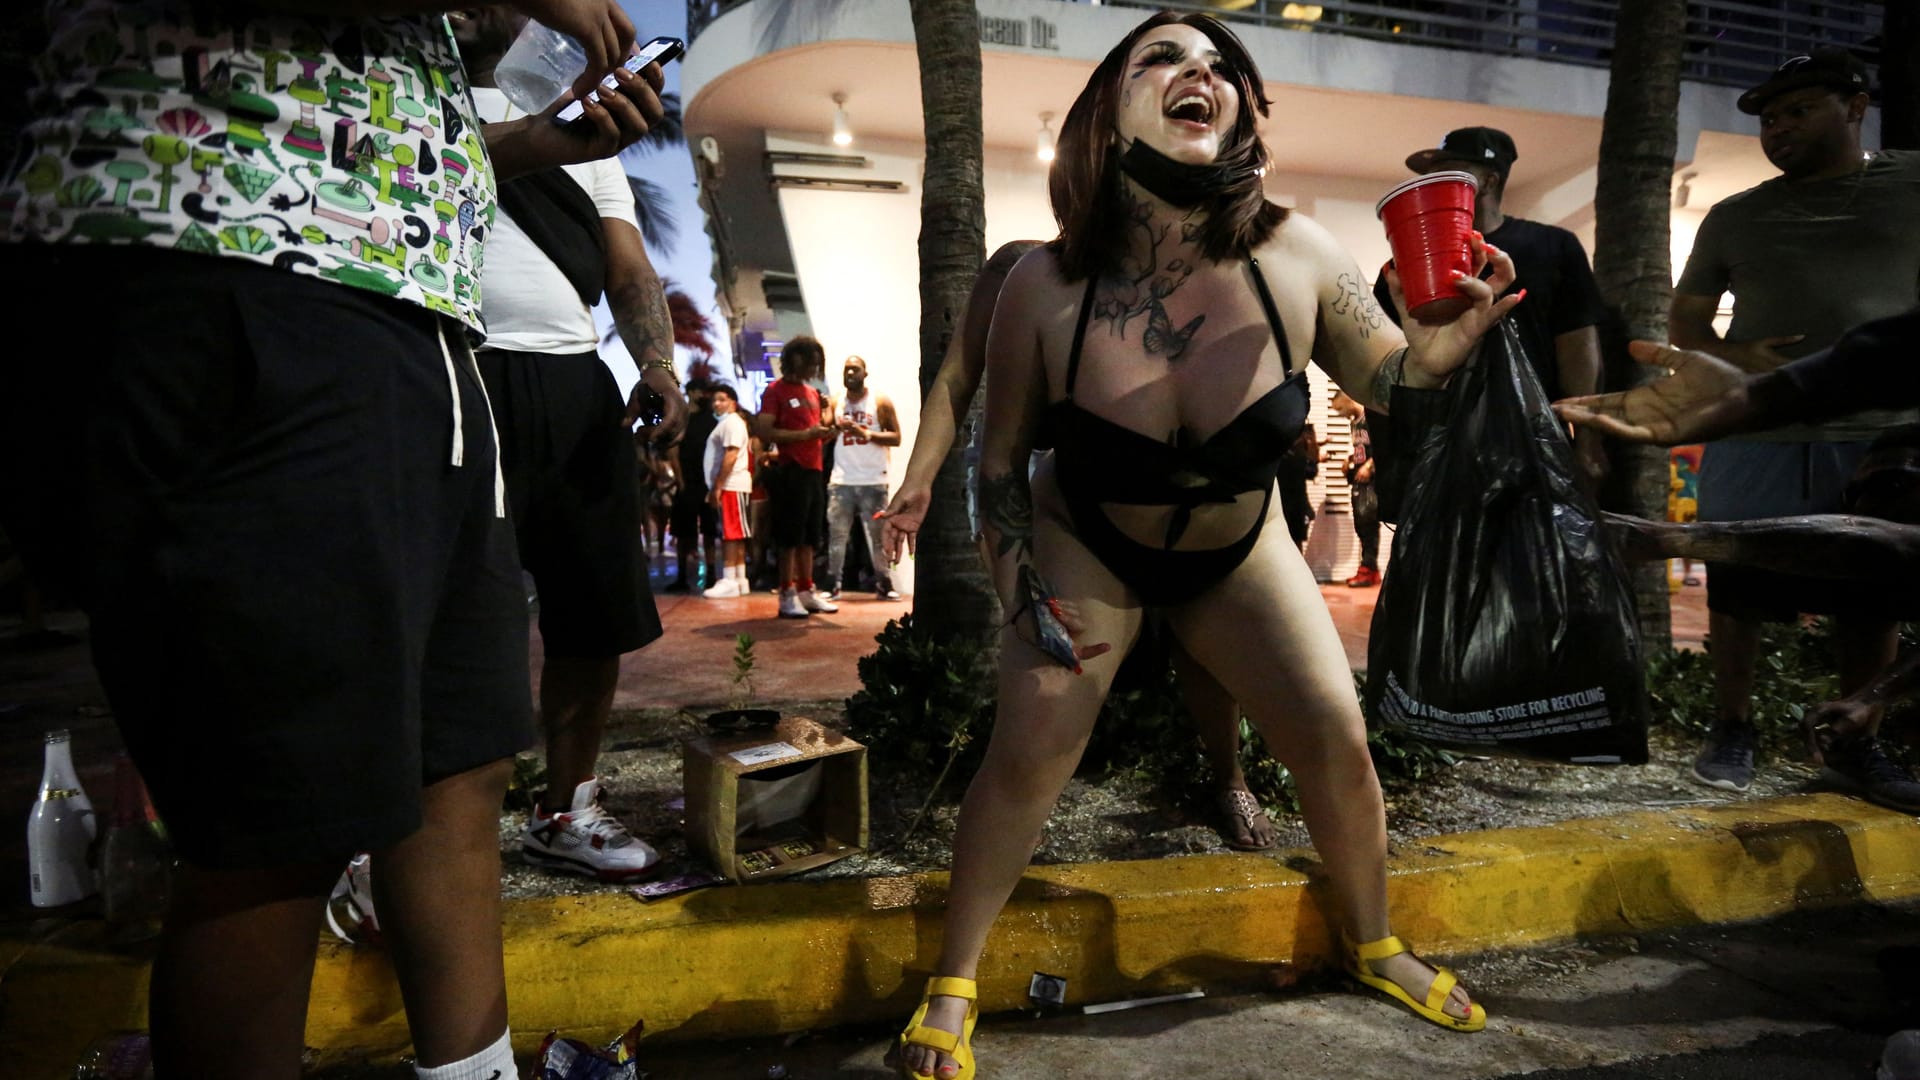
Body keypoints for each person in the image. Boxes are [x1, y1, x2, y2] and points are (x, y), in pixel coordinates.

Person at [0, 2, 662, 1078]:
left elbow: (382, 131)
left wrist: (540, 146)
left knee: (455, 759)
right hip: (233, 249)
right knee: (279, 819)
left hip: (411, 316)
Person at [886, 15, 1523, 1078]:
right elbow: (997, 467)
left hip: (1239, 548)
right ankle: (952, 981)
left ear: (1239, 112)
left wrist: (1447, 343)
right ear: (1109, 109)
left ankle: (1375, 942)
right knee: (1029, 751)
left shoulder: (1298, 252)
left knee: (1333, 734)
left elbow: (1395, 377)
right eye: (1163, 60)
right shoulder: (1044, 286)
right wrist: (1019, 591)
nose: (1201, 75)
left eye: (1222, 66)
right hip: (1085, 544)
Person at [881, 240, 1279, 854]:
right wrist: (917, 479)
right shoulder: (1019, 268)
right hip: (1044, 483)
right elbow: (959, 374)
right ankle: (1027, 793)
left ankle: (1229, 778)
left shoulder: (1158, 275)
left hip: (1152, 490)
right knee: (1043, 646)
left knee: (1196, 635)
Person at [460, 6, 685, 883]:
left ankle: (566, 808)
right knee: (435, 612)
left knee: (594, 614)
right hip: (456, 367)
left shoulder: (580, 114)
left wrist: (658, 366)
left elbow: (627, 266)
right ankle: (392, 828)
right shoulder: (412, 95)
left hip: (570, 382)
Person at [1663, 46, 1920, 797]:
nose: (1778, 128)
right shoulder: (1737, 216)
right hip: (1760, 426)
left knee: (1872, 592)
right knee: (1737, 575)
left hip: (1882, 430)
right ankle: (1732, 726)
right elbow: (1686, 318)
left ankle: (1852, 743)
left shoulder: (1910, 183)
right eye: (1770, 118)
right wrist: (1735, 355)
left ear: (1855, 106)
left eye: (1798, 109)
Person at [1372, 125, 1609, 491]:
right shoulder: (1404, 271)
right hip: (1440, 450)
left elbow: (1579, 348)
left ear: (1488, 180)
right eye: (1431, 172)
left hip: (1533, 443)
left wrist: (1589, 442)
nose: (1431, 180)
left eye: (1448, 169)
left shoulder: (1550, 248)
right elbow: (1387, 365)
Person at [754, 336, 840, 619]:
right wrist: (806, 435)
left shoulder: (813, 394)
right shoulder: (775, 391)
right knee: (789, 536)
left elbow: (816, 434)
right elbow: (765, 431)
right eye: (812, 362)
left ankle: (806, 590)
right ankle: (786, 592)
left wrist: (827, 432)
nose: (815, 369)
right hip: (790, 472)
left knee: (810, 536)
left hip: (814, 471)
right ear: (796, 359)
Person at [826, 356, 905, 600]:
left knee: (878, 536)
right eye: (847, 369)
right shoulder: (837, 400)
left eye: (855, 369)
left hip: (873, 478)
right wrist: (829, 421)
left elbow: (896, 437)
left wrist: (864, 433)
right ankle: (832, 584)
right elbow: (826, 430)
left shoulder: (879, 401)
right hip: (842, 479)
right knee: (837, 535)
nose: (850, 373)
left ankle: (884, 582)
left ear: (865, 373)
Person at [668, 378, 722, 593]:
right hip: (687, 483)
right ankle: (681, 576)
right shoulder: (682, 419)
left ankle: (711, 574)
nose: (703, 395)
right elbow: (673, 450)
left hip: (706, 482)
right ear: (690, 392)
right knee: (683, 532)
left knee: (709, 530)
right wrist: (680, 480)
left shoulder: (711, 420)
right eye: (699, 391)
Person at [702, 383, 756, 597]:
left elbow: (731, 455)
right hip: (732, 485)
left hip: (732, 484)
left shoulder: (732, 423)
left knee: (730, 534)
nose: (717, 403)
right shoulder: (730, 423)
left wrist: (718, 485)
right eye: (715, 399)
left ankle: (729, 579)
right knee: (735, 533)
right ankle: (739, 577)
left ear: (733, 403)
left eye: (722, 399)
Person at [1332, 390, 1382, 588]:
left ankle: (1369, 569)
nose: (1340, 414)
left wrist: (1369, 466)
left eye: (1340, 408)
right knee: (1362, 522)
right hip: (1359, 478)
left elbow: (1381, 447)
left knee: (1368, 519)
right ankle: (1369, 567)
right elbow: (1363, 448)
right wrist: (1351, 460)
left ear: (1347, 398)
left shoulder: (1370, 418)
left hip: (1371, 479)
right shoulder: (1355, 422)